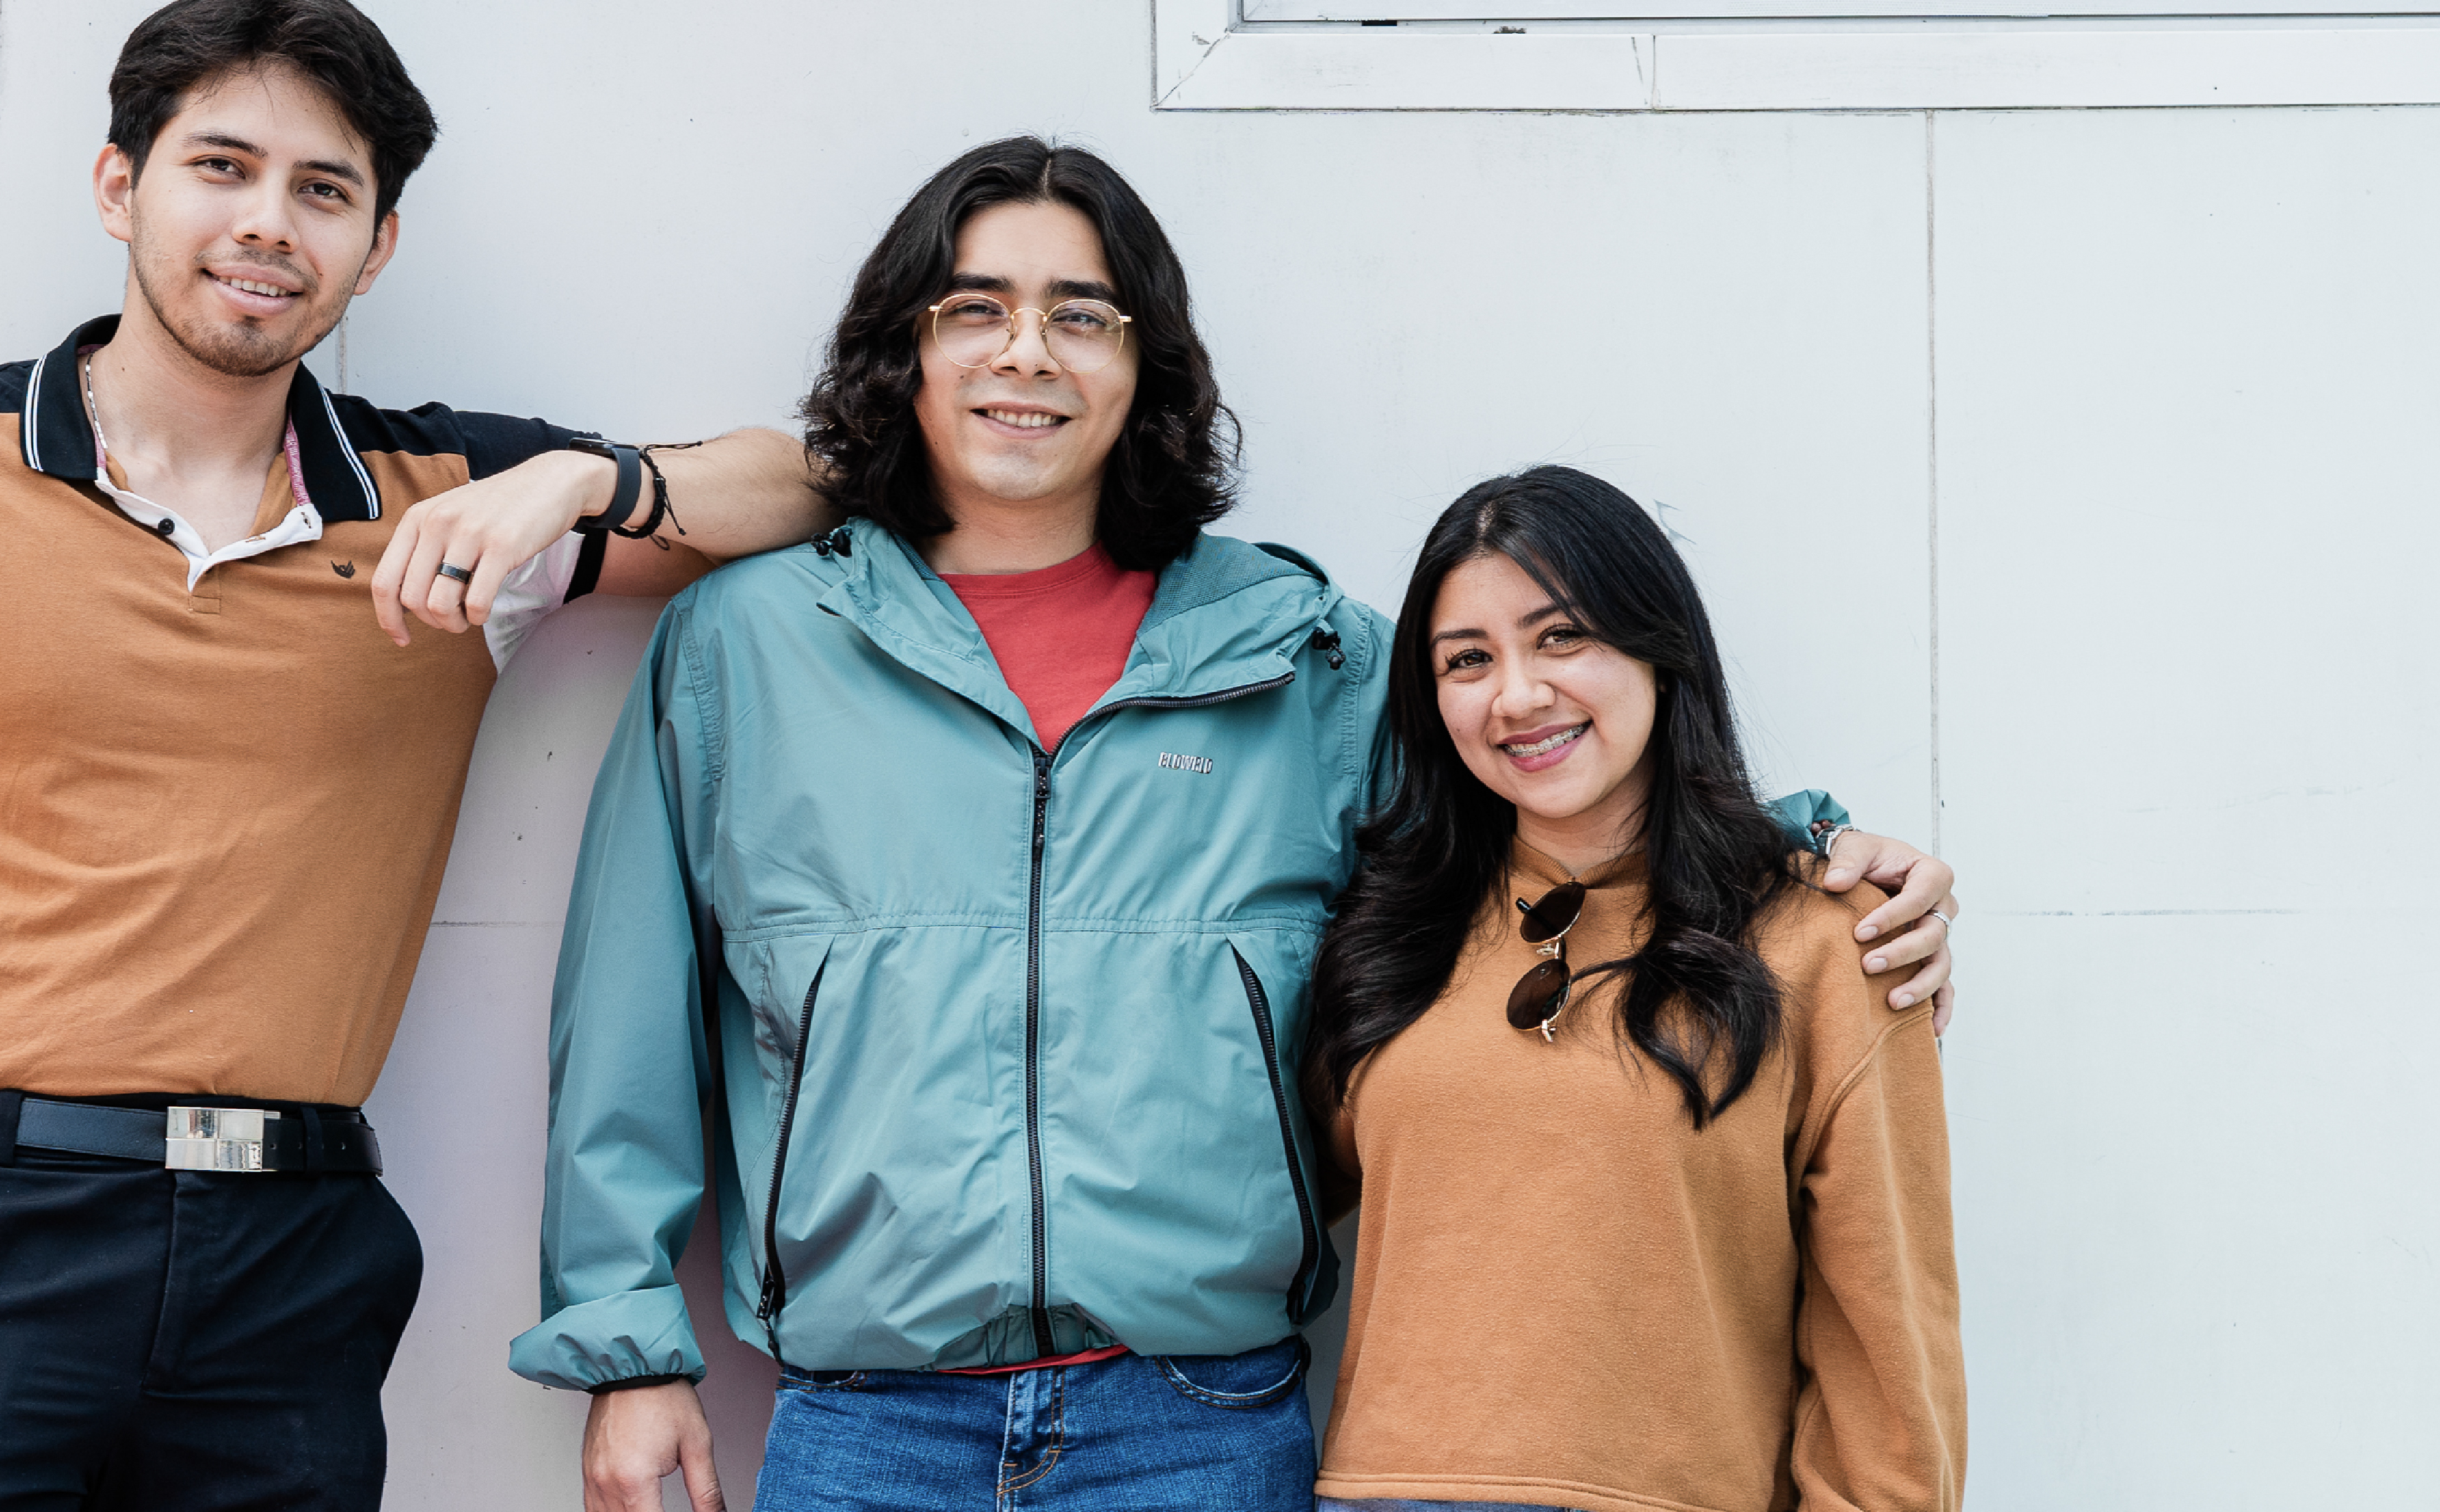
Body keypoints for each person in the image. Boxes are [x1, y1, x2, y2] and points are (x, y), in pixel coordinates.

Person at [516, 138, 1961, 1512]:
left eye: (1081, 315)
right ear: (907, 352)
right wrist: (625, 1347)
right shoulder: (744, 647)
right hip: (861, 1419)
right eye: (975, 310)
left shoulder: (1302, 656)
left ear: (1144, 368)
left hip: (1195, 1426)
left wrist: (1801, 850)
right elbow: (627, 1020)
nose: (1026, 353)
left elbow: (1544, 783)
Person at [0, 2, 837, 1504]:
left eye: (321, 189)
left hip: (292, 1251)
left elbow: (825, 485)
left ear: (376, 244)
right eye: (219, 166)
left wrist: (575, 480)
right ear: (119, 184)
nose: (266, 224)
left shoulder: (447, 506)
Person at [1306, 466, 1965, 1512]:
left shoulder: (1827, 942)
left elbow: (1885, 1347)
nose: (1517, 695)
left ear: (1661, 649)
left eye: (1561, 636)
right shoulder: (1389, 934)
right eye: (1467, 660)